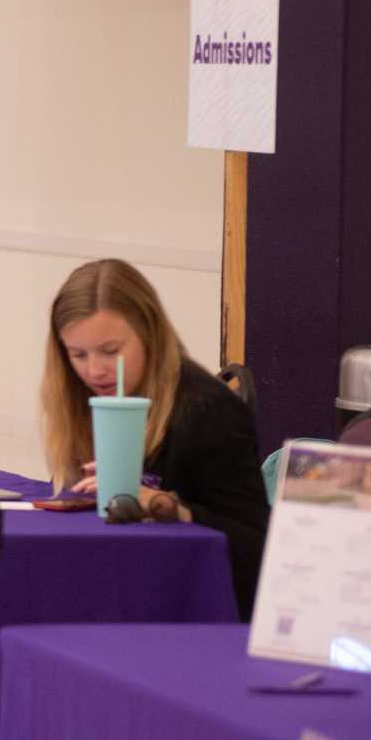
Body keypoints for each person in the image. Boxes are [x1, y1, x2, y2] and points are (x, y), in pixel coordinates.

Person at [45, 258, 271, 617]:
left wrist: (169, 508)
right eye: (78, 354)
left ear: (150, 334)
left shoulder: (209, 411)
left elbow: (256, 546)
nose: (94, 370)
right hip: (121, 585)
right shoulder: (80, 399)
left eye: (111, 351)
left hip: (193, 611)